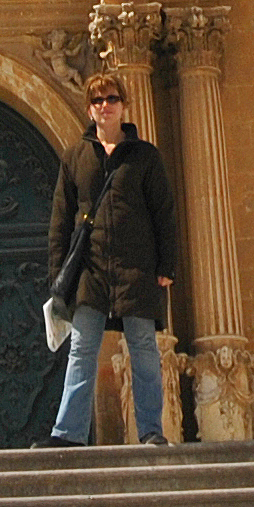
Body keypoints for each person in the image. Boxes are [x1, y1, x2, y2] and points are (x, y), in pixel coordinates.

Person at [37, 70, 178, 445]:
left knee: (144, 348)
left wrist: (166, 266)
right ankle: (68, 433)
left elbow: (164, 212)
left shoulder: (145, 157)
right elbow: (60, 220)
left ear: (123, 105)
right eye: (98, 100)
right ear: (89, 109)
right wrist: (58, 276)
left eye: (112, 99)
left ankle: (150, 430)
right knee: (82, 350)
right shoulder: (76, 158)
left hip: (137, 268)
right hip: (91, 271)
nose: (105, 106)